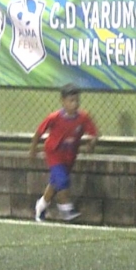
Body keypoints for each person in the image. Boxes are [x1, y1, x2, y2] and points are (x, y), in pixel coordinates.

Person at [29, 84, 98, 222]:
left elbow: (93, 134)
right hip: (54, 153)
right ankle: (66, 209)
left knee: (54, 184)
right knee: (62, 181)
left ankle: (41, 206)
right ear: (63, 101)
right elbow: (39, 132)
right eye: (71, 101)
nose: (75, 104)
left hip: (70, 155)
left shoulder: (83, 117)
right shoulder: (54, 117)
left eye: (77, 100)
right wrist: (33, 149)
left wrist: (91, 144)